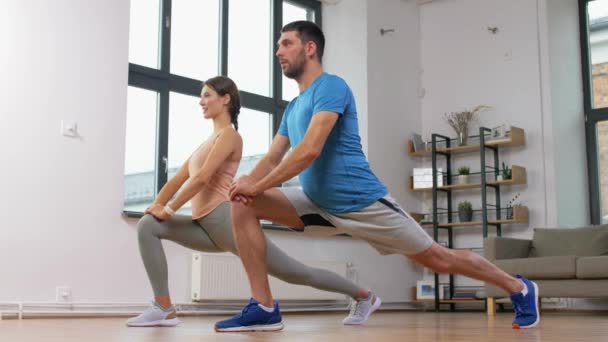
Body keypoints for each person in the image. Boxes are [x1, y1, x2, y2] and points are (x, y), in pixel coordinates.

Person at [215, 21, 539, 332]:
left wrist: (256, 184)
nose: (278, 52)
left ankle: (519, 288)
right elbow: (273, 157)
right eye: (277, 46)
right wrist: (245, 184)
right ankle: (264, 307)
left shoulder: (331, 86)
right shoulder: (294, 106)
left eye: (286, 44)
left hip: (361, 201)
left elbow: (310, 150)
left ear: (310, 48)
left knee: (438, 259)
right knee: (244, 204)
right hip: (316, 200)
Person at [125, 76, 376, 328]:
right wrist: (155, 205)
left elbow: (202, 178)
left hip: (225, 219)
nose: (201, 101)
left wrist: (168, 210)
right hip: (203, 224)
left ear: (226, 99)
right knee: (149, 225)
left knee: (295, 272)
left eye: (207, 95)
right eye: (201, 96)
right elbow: (177, 179)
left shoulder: (230, 136)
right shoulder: (204, 144)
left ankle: (363, 295)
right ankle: (164, 307)